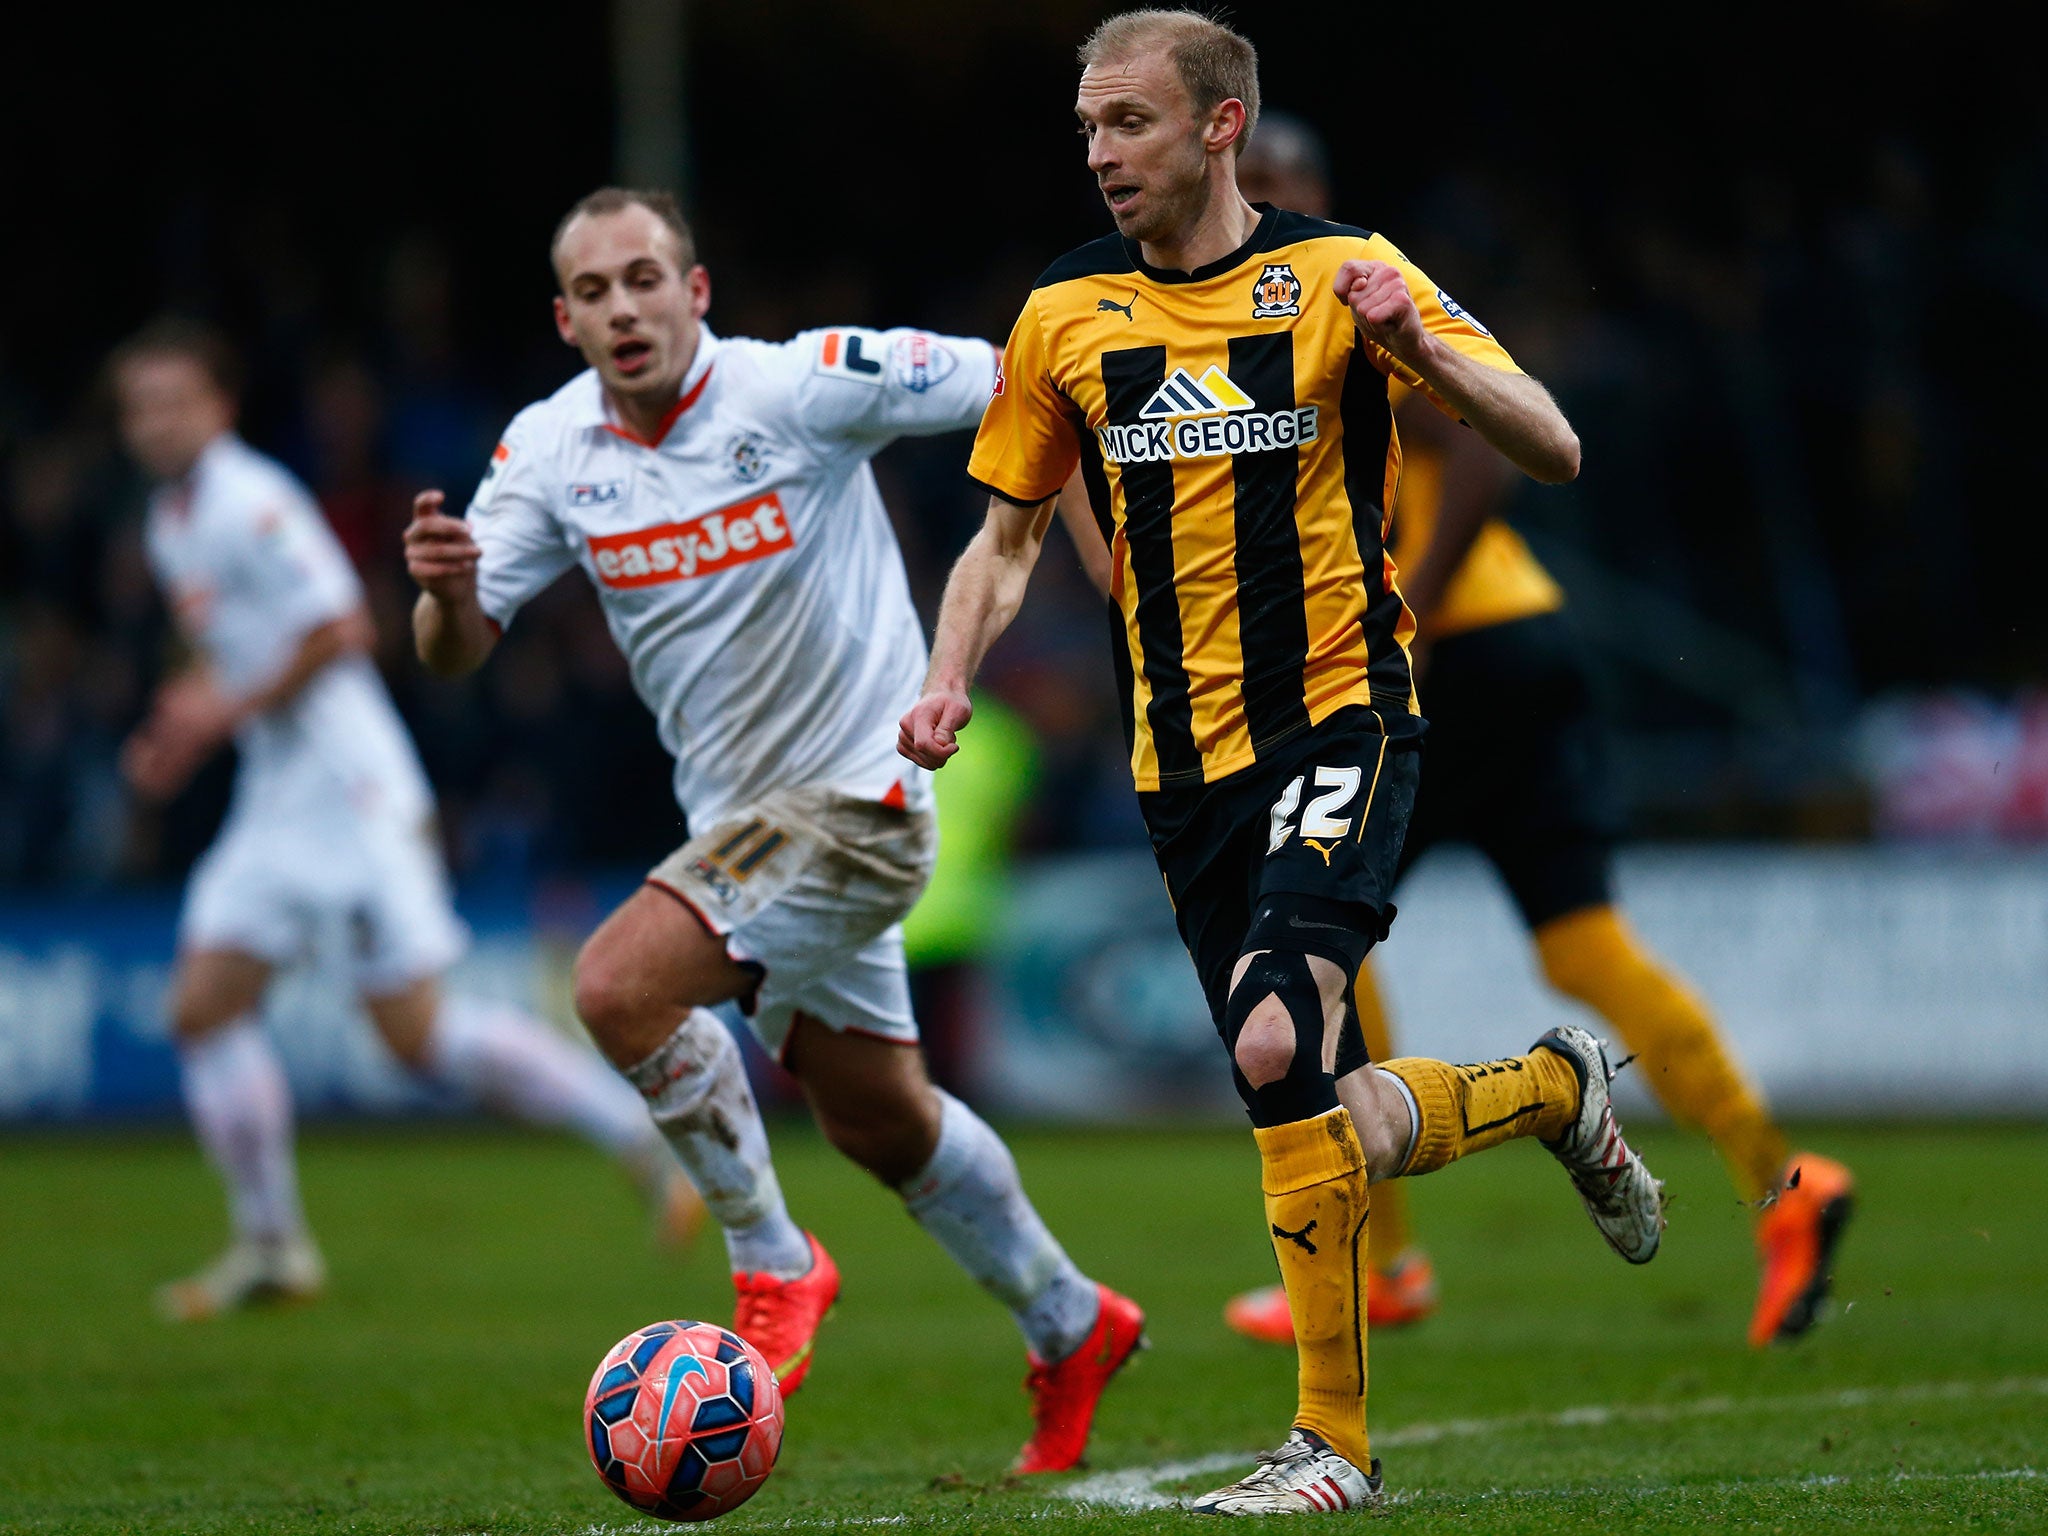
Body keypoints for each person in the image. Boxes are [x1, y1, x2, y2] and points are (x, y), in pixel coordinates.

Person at [901, 9, 1663, 1515]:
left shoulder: (1338, 276)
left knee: (1267, 1042)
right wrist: (943, 682)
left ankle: (1332, 1447)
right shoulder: (1065, 319)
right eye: (1089, 129)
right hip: (1182, 770)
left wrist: (1412, 346)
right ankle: (1548, 1094)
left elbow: (1554, 443)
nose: (1103, 154)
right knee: (1314, 1099)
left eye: (1129, 123)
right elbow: (1001, 542)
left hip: (1344, 717)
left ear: (1221, 125)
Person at [402, 188, 1143, 1475]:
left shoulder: (799, 387)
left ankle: (771, 1263)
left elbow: (1033, 375)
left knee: (618, 988)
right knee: (880, 1121)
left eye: (646, 278)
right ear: (565, 319)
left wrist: (1083, 541)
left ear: (695, 292)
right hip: (742, 834)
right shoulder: (547, 451)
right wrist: (449, 599)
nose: (624, 307)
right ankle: (1071, 1320)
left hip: (861, 801)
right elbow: (457, 657)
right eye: (595, 290)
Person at [1215, 112, 1854, 1352]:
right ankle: (1783, 1187)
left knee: (1313, 941)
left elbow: (1481, 459)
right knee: (1582, 950)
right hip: (1522, 638)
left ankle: (1382, 1259)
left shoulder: (1336, 287)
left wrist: (1413, 611)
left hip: (1454, 657)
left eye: (1269, 183)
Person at [112, 320, 703, 1323]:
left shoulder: (251, 500)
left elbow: (344, 624)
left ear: (219, 407)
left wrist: (222, 708)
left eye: (175, 401)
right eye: (139, 407)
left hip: (351, 794)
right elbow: (236, 651)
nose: (156, 423)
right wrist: (189, 722)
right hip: (276, 797)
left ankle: (642, 1138)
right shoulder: (172, 521)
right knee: (201, 1008)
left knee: (419, 1040)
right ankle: (271, 1246)